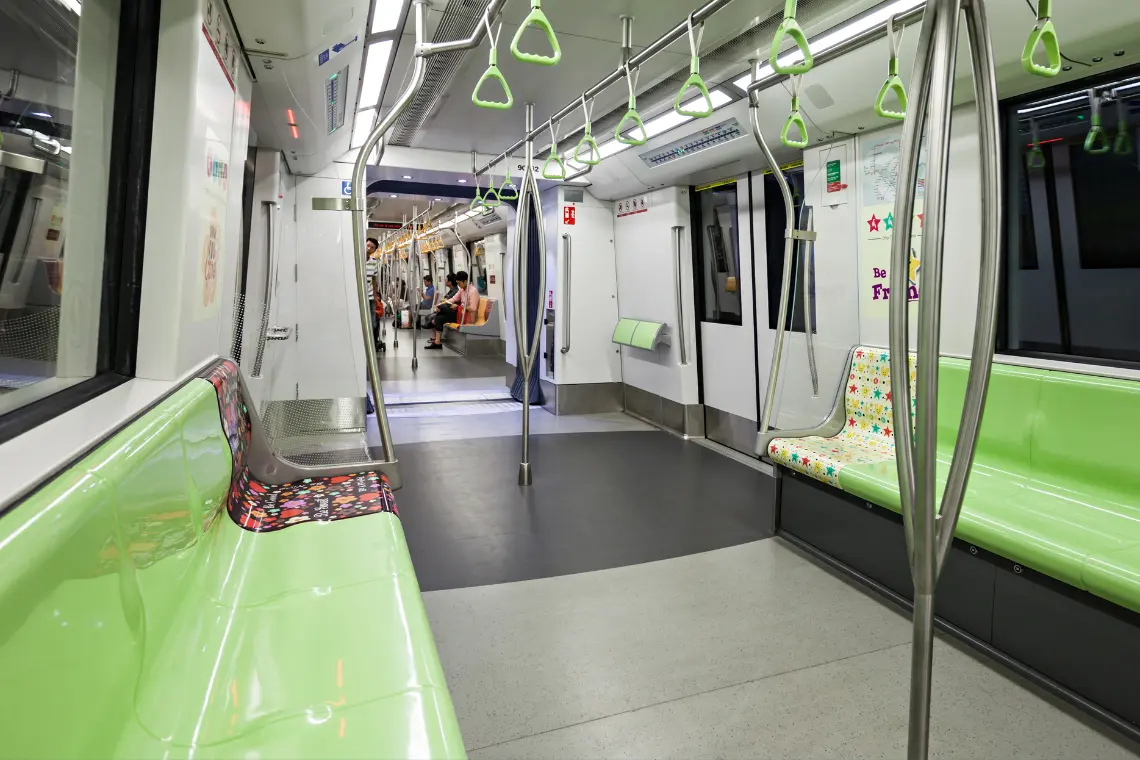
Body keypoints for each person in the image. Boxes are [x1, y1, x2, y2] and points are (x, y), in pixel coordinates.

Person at [426, 270, 479, 349]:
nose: (459, 286)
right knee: (440, 318)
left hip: (467, 317)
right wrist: (441, 304)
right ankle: (437, 343)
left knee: (444, 309)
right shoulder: (462, 290)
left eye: (459, 283)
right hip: (460, 314)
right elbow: (454, 299)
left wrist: (458, 307)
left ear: (465, 281)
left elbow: (473, 308)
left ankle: (434, 319)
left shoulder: (473, 291)